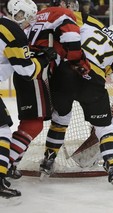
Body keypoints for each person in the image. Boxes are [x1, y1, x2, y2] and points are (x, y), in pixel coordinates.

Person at [35, 1, 113, 188]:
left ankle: (48, 161)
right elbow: (109, 71)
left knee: (60, 119)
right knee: (104, 128)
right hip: (92, 80)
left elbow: (69, 18)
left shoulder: (92, 25)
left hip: (65, 72)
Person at [8, 0, 89, 179]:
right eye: (70, 4)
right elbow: (72, 38)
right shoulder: (60, 13)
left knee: (35, 122)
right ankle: (8, 163)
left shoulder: (36, 18)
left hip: (29, 72)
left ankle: (11, 163)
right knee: (42, 122)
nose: (73, 8)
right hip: (37, 73)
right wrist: (77, 62)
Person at [0, 0, 56, 198]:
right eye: (28, 18)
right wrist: (44, 58)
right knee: (12, 129)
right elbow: (26, 70)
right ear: (19, 13)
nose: (28, 23)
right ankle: (3, 170)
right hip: (28, 75)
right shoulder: (12, 28)